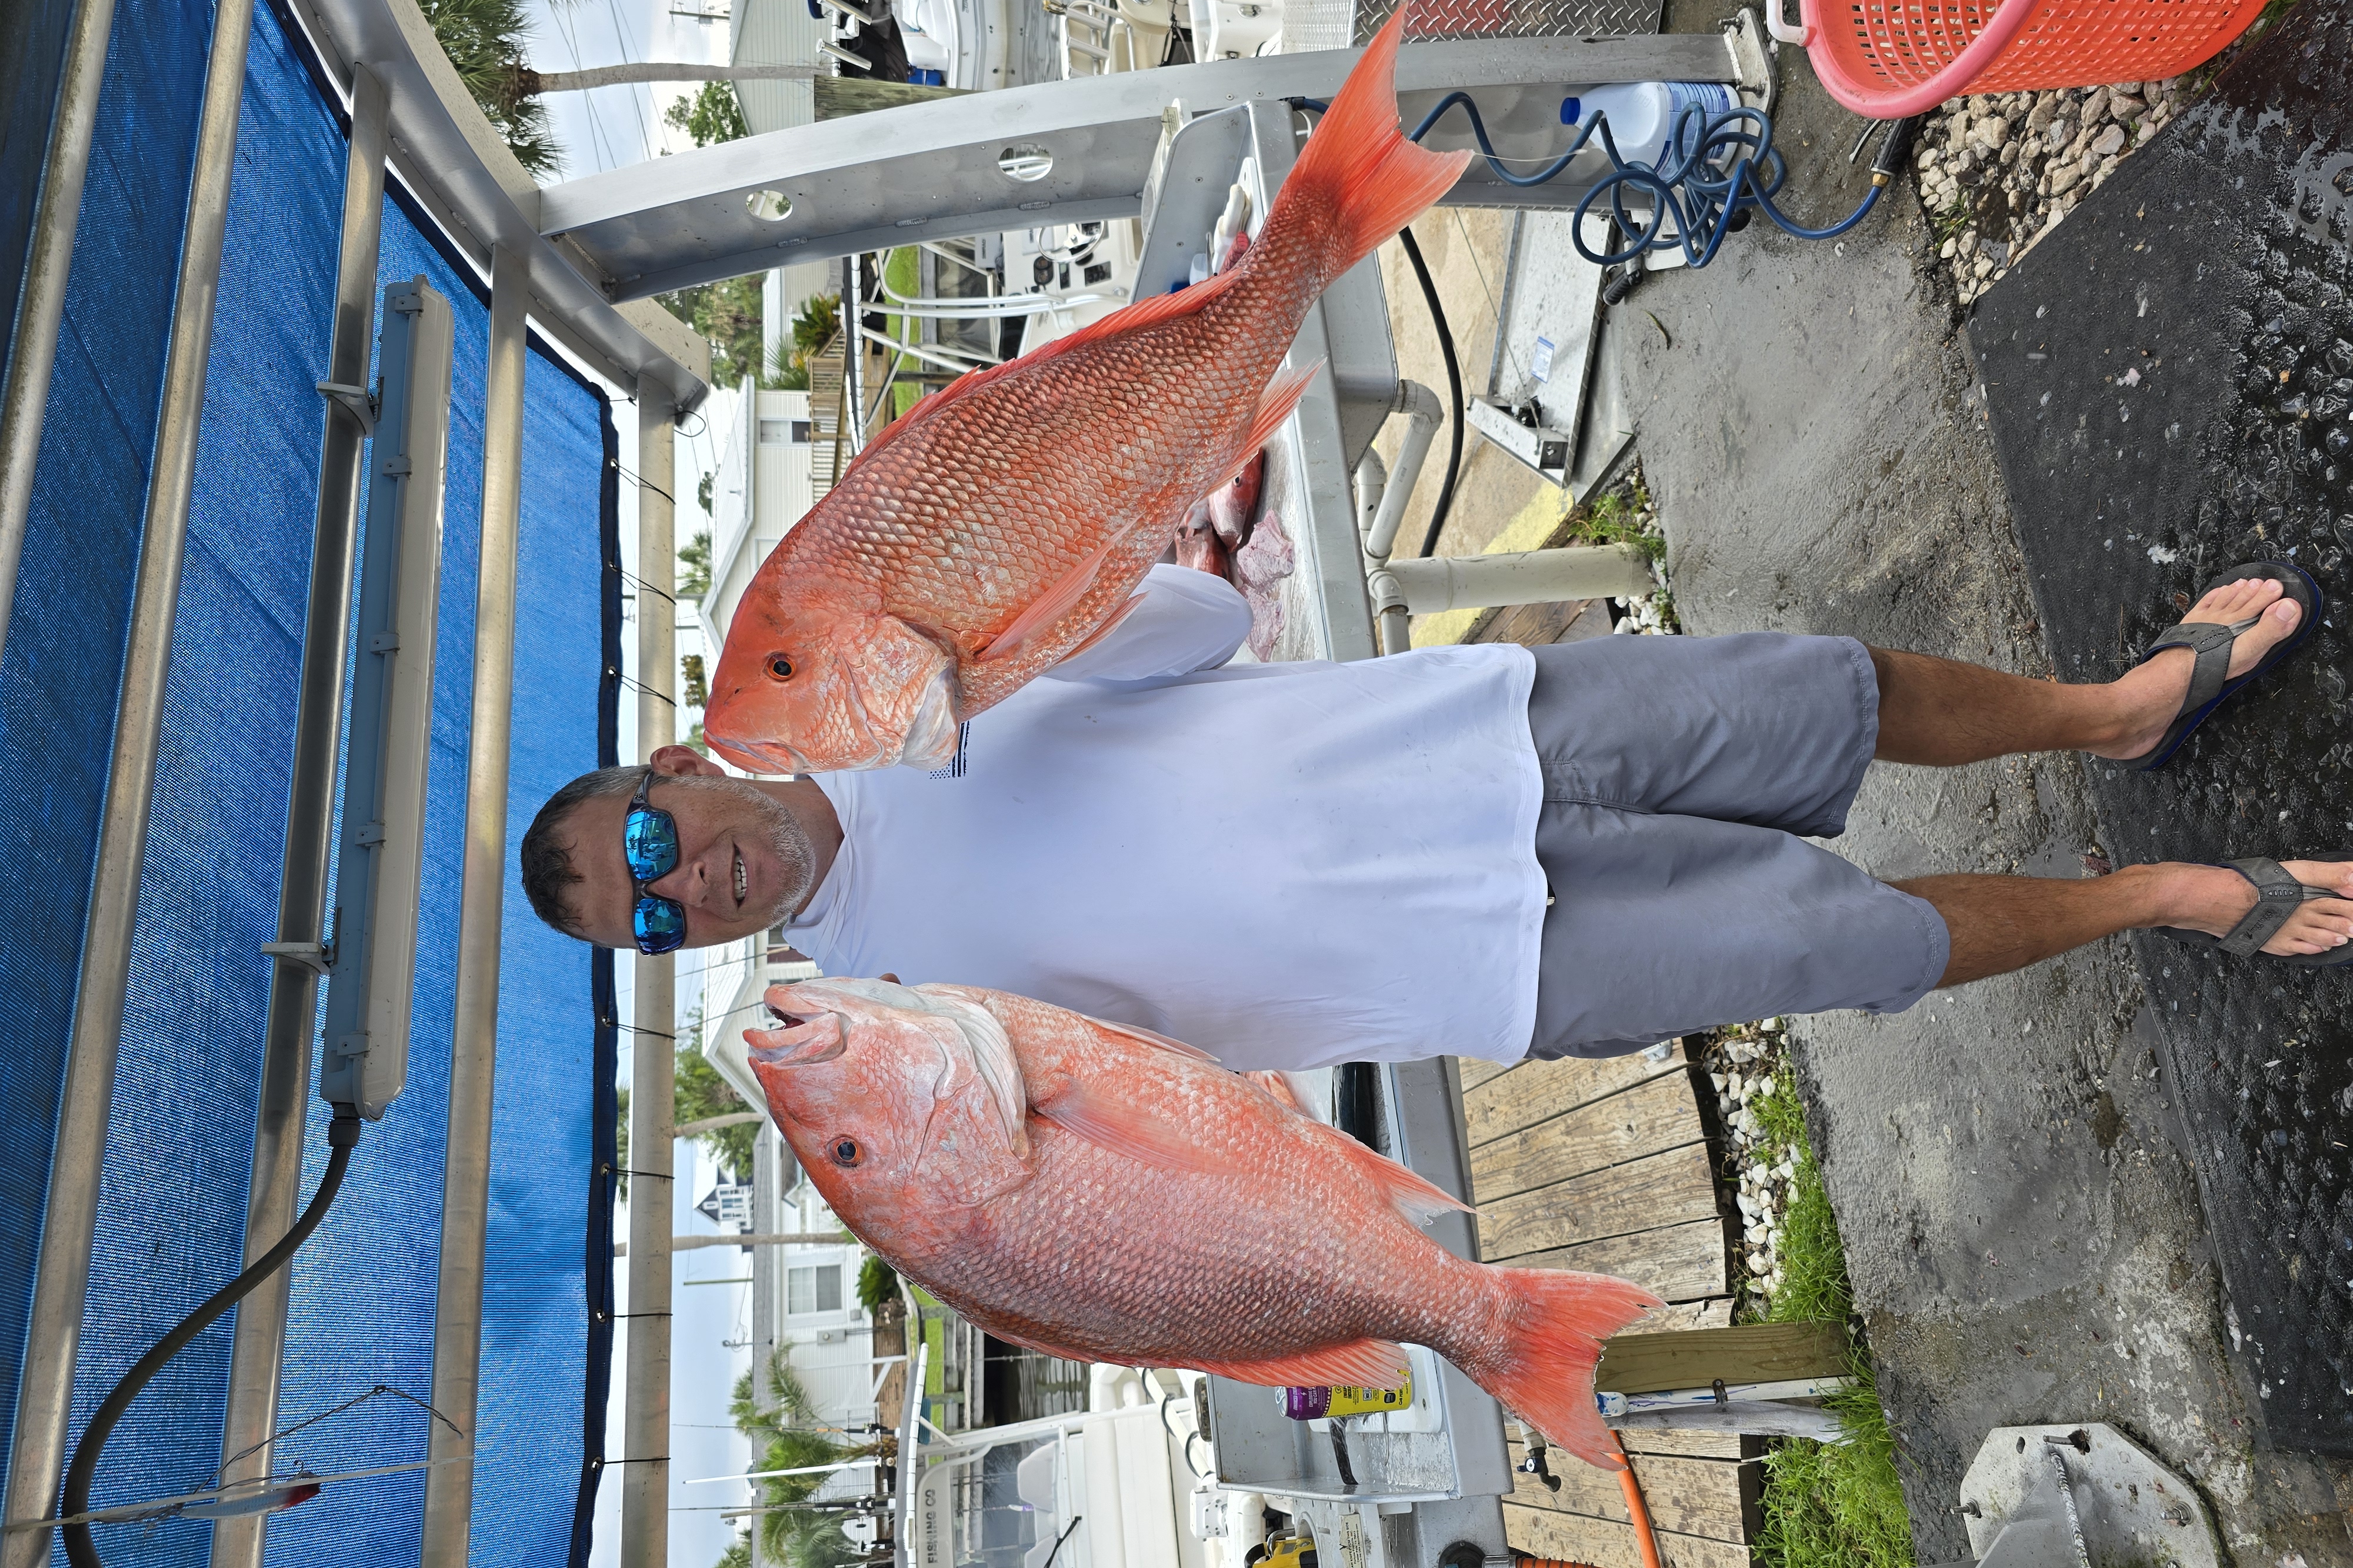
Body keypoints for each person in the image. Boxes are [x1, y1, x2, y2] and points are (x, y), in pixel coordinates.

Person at [519, 562, 2349, 1072]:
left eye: (653, 856)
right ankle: (2161, 895)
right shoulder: (866, 1030)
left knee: (1821, 689)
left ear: (681, 770)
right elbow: (1112, 1114)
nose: (695, 894)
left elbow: (1199, 626)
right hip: (1480, 969)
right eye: (654, 927)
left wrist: (988, 640)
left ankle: (2112, 716)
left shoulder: (873, 687)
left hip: (1471, 731)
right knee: (1839, 943)